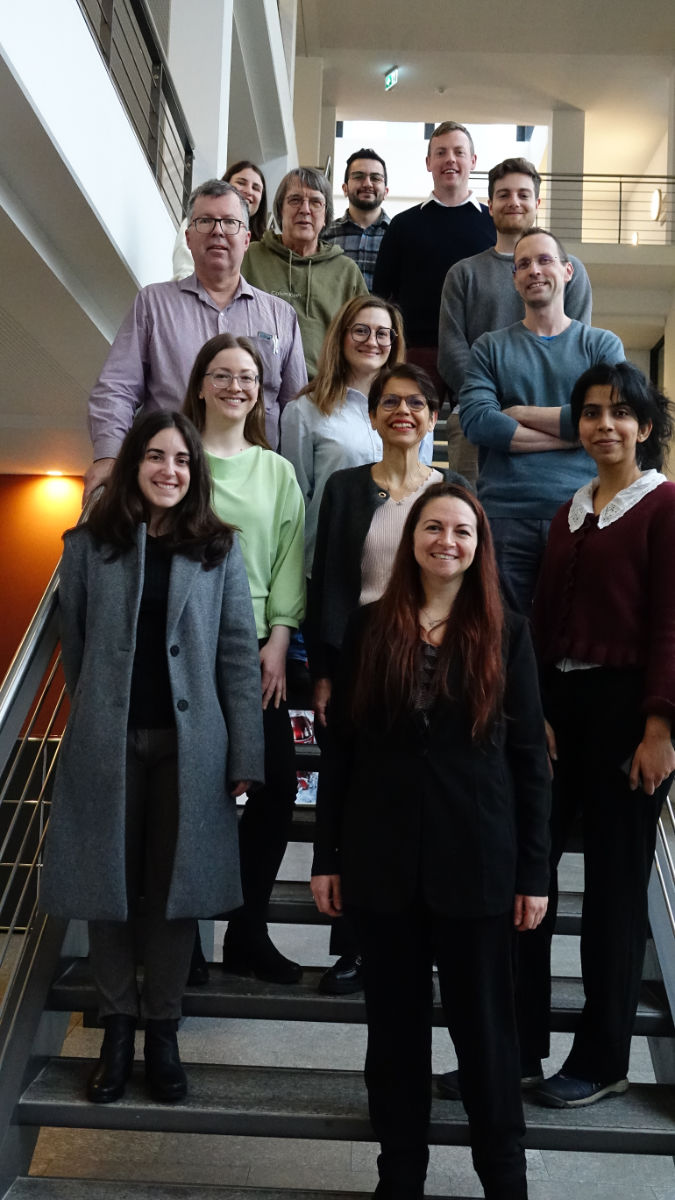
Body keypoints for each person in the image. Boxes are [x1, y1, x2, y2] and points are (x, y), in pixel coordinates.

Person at [311, 481, 550, 1199]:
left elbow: (529, 761)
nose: (447, 540)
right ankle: (400, 1174)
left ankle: (503, 1180)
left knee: (486, 1036)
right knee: (392, 1037)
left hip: (476, 862)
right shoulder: (367, 626)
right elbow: (342, 750)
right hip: (382, 866)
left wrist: (534, 872)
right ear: (411, 538)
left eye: (462, 531)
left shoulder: (505, 630)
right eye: (433, 527)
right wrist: (327, 855)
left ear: (478, 548)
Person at [40, 411, 264, 1105]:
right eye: (156, 457)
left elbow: (236, 658)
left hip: (191, 751)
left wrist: (245, 756)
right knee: (107, 892)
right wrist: (102, 712)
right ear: (135, 463)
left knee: (174, 895)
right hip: (108, 744)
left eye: (183, 461)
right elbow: (73, 647)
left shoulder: (218, 549)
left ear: (195, 474)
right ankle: (115, 1029)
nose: (170, 470)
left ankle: (162, 1032)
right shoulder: (87, 546)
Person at [529, 361, 675, 1108]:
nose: (604, 424)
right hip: (559, 712)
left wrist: (660, 728)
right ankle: (519, 1048)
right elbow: (542, 623)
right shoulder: (570, 510)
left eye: (621, 412)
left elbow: (672, 625)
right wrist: (540, 713)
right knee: (528, 879)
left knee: (614, 896)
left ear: (645, 427)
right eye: (590, 412)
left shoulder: (664, 506)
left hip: (630, 718)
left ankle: (601, 1058)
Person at [305, 364, 463, 997]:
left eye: (417, 403)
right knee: (358, 796)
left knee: (420, 794)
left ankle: (421, 938)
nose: (404, 411)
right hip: (361, 657)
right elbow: (329, 581)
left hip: (433, 659)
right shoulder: (345, 488)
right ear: (372, 417)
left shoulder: (449, 491)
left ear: (432, 418)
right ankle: (353, 948)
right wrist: (323, 672)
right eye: (390, 402)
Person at [183, 332, 305, 984]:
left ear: (261, 392)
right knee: (194, 795)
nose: (236, 386)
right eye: (223, 375)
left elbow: (289, 560)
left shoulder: (276, 470)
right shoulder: (177, 461)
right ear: (201, 383)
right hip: (185, 649)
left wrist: (280, 640)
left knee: (277, 787)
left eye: (249, 378)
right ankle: (188, 945)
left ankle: (247, 932)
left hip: (255, 650)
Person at [85, 178, 307, 498]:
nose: (217, 231)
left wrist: (294, 484)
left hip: (256, 488)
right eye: (205, 221)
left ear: (247, 238)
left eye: (229, 222)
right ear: (188, 237)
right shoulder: (153, 304)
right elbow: (116, 389)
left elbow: (295, 412)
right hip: (170, 483)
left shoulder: (281, 316)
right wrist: (109, 456)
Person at [459, 226, 624, 613]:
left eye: (545, 260)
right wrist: (576, 433)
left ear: (567, 271)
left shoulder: (602, 345)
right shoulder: (489, 347)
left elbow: (610, 418)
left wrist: (517, 414)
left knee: (575, 638)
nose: (534, 270)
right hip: (504, 517)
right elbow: (479, 421)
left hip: (582, 512)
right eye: (524, 264)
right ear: (514, 278)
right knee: (505, 644)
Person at [438, 157, 593, 483]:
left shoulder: (570, 272)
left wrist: (533, 417)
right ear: (490, 205)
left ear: (537, 203)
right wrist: (492, 413)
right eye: (504, 195)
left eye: (523, 195)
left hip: (555, 419)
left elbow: (576, 348)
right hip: (476, 421)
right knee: (472, 526)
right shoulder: (463, 273)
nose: (514, 202)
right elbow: (452, 353)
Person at [280, 295, 428, 576]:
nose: (372, 341)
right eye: (361, 330)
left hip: (397, 566)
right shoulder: (303, 412)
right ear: (341, 336)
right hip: (328, 564)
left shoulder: (413, 410)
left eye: (383, 334)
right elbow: (295, 503)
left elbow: (421, 487)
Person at [373, 121, 495, 389]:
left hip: (481, 353)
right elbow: (381, 296)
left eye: (458, 152)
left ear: (473, 161)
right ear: (428, 162)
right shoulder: (403, 225)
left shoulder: (494, 223)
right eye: (441, 152)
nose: (449, 159)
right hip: (417, 352)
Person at [242, 167, 368, 375]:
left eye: (316, 202)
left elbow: (362, 338)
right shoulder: (249, 257)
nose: (305, 209)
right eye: (295, 200)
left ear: (326, 216)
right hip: (255, 385)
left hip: (322, 393)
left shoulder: (347, 272)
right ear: (280, 209)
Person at [173, 160, 268, 279]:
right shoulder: (198, 223)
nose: (249, 191)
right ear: (225, 184)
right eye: (241, 183)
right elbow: (185, 270)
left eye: (256, 188)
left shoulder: (265, 245)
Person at [322, 148, 390, 290]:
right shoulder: (324, 235)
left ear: (386, 191)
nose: (367, 184)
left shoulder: (398, 235)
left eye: (376, 178)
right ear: (345, 188)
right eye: (358, 176)